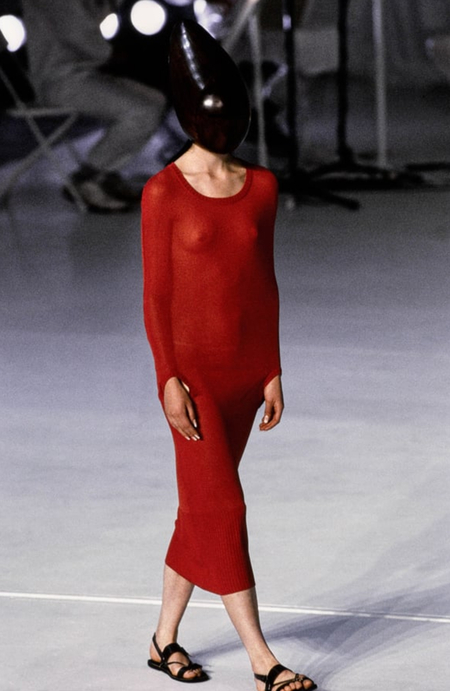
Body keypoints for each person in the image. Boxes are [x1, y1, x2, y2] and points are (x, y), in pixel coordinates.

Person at [141, 20, 317, 691]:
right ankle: (262, 659)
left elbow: (263, 283)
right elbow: (156, 297)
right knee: (225, 508)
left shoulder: (262, 186)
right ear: (191, 111)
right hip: (194, 382)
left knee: (202, 509)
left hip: (245, 372)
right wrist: (167, 379)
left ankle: (163, 639)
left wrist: (272, 367)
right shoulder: (163, 191)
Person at [21, 0, 166, 212]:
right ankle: (89, 177)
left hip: (82, 75)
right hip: (60, 81)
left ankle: (104, 173)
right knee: (143, 110)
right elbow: (84, 39)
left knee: (154, 100)